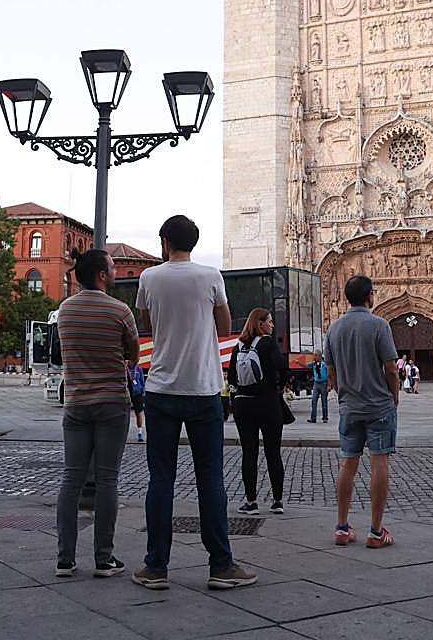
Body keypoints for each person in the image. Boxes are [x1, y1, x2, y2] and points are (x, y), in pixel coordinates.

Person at [133, 215, 257, 591]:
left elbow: (148, 321)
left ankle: (156, 566)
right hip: (203, 390)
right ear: (193, 242)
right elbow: (223, 326)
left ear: (165, 241)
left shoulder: (148, 279)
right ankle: (221, 564)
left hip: (161, 390)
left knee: (161, 479)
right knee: (211, 480)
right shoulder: (210, 277)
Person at [54, 249, 138, 579]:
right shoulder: (120, 311)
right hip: (112, 403)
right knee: (107, 480)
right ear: (102, 275)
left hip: (75, 403)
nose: (116, 272)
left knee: (71, 479)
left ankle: (65, 558)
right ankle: (104, 559)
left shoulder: (65, 310)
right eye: (113, 268)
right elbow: (132, 353)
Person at [325, 275, 400, 548]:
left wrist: (341, 392)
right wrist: (394, 396)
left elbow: (331, 370)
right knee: (379, 463)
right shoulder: (379, 324)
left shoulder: (334, 329)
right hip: (378, 406)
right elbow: (391, 368)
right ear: (369, 295)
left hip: (349, 407)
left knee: (347, 464)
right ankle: (376, 532)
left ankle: (342, 528)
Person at [228, 308, 286, 515]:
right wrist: (278, 386)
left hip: (244, 405)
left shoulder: (239, 346)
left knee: (249, 453)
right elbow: (282, 367)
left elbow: (232, 377)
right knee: (273, 452)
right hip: (268, 403)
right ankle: (277, 501)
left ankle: (251, 502)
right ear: (260, 324)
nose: (272, 325)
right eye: (269, 322)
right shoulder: (269, 343)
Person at [308, 352, 329, 423]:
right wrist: (298, 363)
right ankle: (313, 418)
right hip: (316, 384)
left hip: (324, 383)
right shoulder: (314, 364)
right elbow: (306, 366)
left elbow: (329, 375)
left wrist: (329, 385)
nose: (314, 357)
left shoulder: (325, 364)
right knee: (314, 401)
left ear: (319, 356)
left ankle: (325, 418)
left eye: (315, 356)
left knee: (324, 402)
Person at [130, 361, 146, 442]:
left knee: (138, 413)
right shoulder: (125, 368)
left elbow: (142, 381)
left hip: (137, 393)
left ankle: (140, 432)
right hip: (127, 393)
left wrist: (142, 390)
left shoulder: (138, 369)